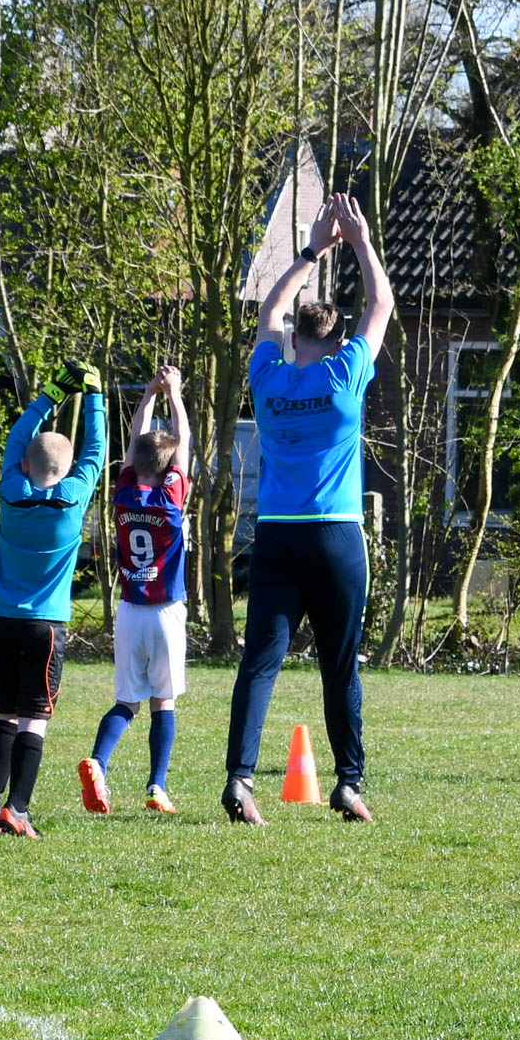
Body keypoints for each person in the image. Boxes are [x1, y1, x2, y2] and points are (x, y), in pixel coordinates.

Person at [224, 192, 394, 826]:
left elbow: (268, 311)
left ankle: (240, 780)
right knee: (339, 666)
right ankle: (348, 785)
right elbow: (381, 304)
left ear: (293, 340)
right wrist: (360, 242)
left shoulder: (268, 379)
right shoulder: (345, 375)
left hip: (275, 537)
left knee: (259, 664)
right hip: (336, 537)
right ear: (339, 340)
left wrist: (310, 252)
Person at [0, 360, 107, 838]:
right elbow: (97, 448)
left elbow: (16, 438)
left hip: (2, 621)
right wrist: (94, 396)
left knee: (4, 714)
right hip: (46, 626)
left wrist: (52, 394)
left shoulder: (11, 491)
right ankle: (18, 809)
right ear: (67, 469)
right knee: (34, 719)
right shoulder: (73, 498)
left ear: (26, 465)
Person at [79, 364, 191, 816]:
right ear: (169, 470)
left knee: (127, 701)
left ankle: (98, 762)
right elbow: (183, 442)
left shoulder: (124, 493)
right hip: (165, 611)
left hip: (129, 610)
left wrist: (148, 396)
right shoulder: (171, 498)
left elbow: (133, 444)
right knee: (163, 700)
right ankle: (156, 786)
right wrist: (175, 394)